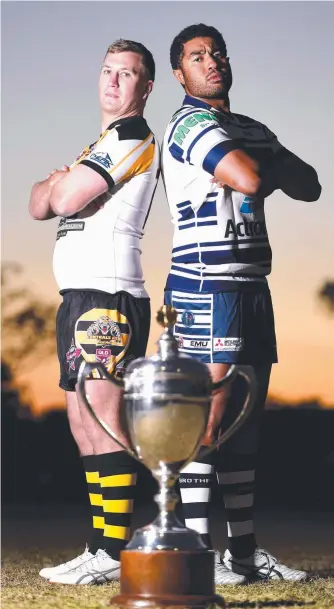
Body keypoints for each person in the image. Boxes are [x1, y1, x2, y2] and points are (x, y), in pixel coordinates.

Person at [162, 24, 321, 584]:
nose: (212, 62)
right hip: (207, 285)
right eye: (197, 56)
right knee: (209, 418)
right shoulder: (189, 123)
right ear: (180, 74)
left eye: (218, 53)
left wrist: (260, 165)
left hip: (253, 286)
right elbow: (252, 176)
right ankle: (200, 556)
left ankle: (245, 556)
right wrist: (261, 165)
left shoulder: (246, 126)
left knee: (247, 422)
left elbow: (311, 184)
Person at [29, 39, 159, 585]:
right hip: (80, 296)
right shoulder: (100, 142)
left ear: (144, 87)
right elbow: (37, 202)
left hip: (108, 295)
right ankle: (103, 547)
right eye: (107, 70)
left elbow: (58, 200)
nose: (112, 81)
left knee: (104, 420)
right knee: (84, 423)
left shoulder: (131, 135)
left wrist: (63, 184)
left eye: (125, 74)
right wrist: (63, 184)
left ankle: (114, 550)